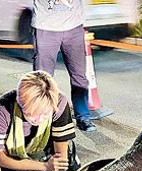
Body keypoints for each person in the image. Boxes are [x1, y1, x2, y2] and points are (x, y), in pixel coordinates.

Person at [32, 0, 96, 132]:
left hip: (74, 27)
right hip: (45, 27)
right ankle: (43, 120)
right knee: (42, 80)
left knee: (79, 76)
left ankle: (83, 117)